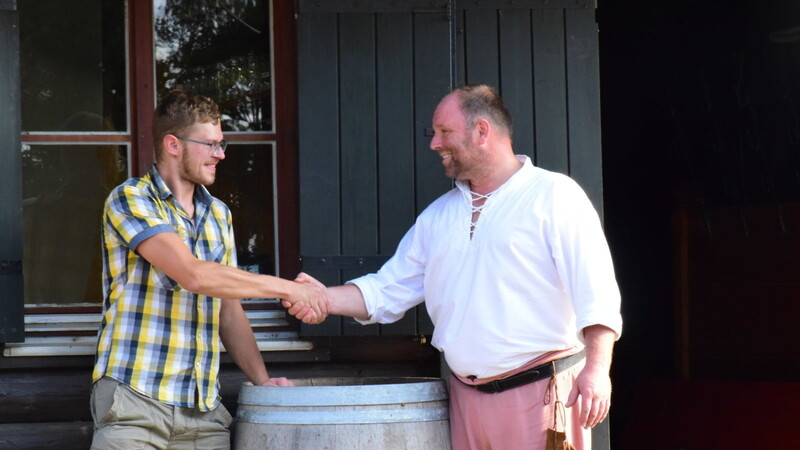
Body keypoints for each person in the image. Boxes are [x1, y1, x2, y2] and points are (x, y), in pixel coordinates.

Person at [288, 84, 622, 449]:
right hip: (465, 401)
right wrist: (322, 297)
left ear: (482, 131)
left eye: (445, 132)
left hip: (541, 395)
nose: (434, 143)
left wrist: (597, 370)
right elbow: (386, 289)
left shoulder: (554, 196)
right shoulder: (438, 216)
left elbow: (597, 290)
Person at [90, 90, 326, 450]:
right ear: (173, 144)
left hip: (203, 412)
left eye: (222, 143)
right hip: (134, 399)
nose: (221, 154)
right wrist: (289, 289)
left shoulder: (219, 215)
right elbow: (193, 274)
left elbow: (228, 309)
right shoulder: (131, 199)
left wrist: (261, 380)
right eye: (210, 144)